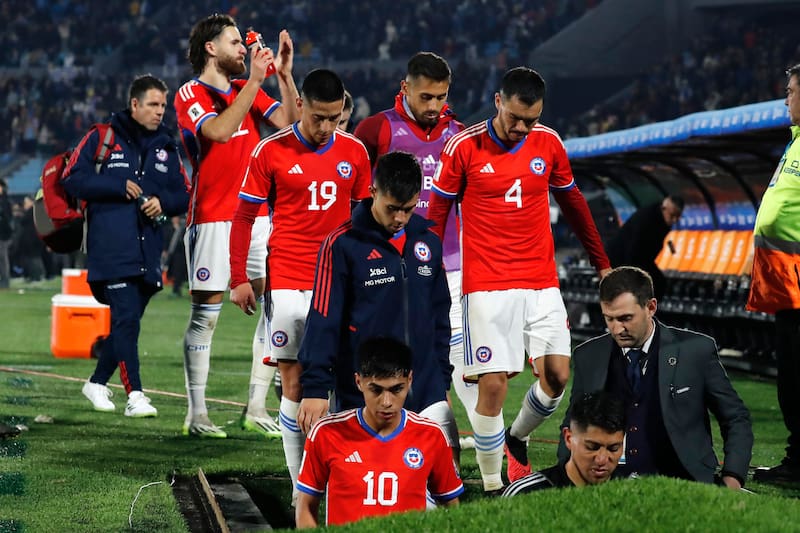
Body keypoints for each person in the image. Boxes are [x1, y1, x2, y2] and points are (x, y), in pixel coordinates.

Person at [427, 66, 611, 492]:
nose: (522, 127)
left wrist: (602, 261)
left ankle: (517, 437)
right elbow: (435, 217)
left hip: (541, 283)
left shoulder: (547, 143)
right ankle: (493, 486)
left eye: (531, 119)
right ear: (498, 103)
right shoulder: (463, 147)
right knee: (492, 385)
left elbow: (574, 203)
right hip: (486, 285)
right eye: (515, 118)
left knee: (558, 377)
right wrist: (426, 271)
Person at [229, 68, 371, 502]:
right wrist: (238, 278)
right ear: (302, 106)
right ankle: (299, 489)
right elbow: (244, 217)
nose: (326, 127)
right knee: (294, 382)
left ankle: (341, 479)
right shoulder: (270, 151)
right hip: (289, 277)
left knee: (345, 382)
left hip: (340, 279)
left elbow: (366, 223)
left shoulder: (356, 152)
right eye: (319, 118)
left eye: (334, 118)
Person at [174, 14, 299, 438]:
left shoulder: (249, 91)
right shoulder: (191, 92)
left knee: (273, 306)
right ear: (211, 48)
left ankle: (256, 406)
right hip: (211, 217)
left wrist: (283, 75)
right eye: (234, 42)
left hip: (256, 215)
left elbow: (290, 123)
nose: (243, 49)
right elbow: (220, 131)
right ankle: (197, 413)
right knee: (205, 317)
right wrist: (255, 83)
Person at [297, 152, 454, 451]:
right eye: (392, 208)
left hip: (426, 387)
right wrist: (316, 388)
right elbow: (323, 320)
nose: (400, 219)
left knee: (442, 479)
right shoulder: (342, 244)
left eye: (407, 210)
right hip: (365, 391)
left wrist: (442, 380)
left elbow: (439, 317)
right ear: (372, 193)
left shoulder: (428, 242)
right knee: (364, 482)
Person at [353, 52, 473, 434]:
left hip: (450, 262)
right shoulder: (376, 130)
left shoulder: (459, 134)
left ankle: (449, 448)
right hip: (390, 261)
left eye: (441, 97)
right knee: (390, 353)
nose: (434, 106)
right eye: (426, 97)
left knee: (454, 359)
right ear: (405, 88)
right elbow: (356, 194)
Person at [63, 74, 190, 418]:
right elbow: (72, 178)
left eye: (163, 105)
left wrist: (162, 202)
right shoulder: (101, 137)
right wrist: (118, 186)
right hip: (111, 249)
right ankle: (136, 395)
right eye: (152, 104)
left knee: (127, 323)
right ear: (134, 104)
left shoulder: (166, 146)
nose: (159, 111)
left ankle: (96, 382)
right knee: (127, 321)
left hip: (149, 252)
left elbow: (184, 194)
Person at [560, 266, 753, 488]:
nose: (616, 328)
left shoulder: (696, 351)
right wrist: (567, 477)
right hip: (608, 484)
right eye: (609, 319)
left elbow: (735, 418)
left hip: (685, 482)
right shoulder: (588, 355)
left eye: (625, 318)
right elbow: (573, 423)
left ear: (651, 307)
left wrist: (733, 477)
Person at [296, 336, 463, 528]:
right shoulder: (326, 433)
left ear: (409, 380)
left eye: (396, 389)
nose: (386, 402)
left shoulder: (431, 435)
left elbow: (451, 507)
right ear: (358, 382)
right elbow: (305, 507)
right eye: (376, 390)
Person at [748, 63, 800, 484]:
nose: (786, 98)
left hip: (797, 281)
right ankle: (797, 457)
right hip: (785, 282)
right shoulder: (795, 144)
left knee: (797, 376)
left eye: (791, 91)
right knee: (791, 374)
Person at [502, 390, 624, 496]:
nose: (602, 460)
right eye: (592, 447)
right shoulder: (524, 494)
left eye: (613, 449)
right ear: (568, 438)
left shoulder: (633, 490)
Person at [605, 195, 684, 300]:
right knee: (651, 283)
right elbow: (633, 249)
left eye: (678, 216)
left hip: (639, 259)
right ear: (663, 208)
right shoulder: (646, 219)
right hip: (619, 258)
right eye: (672, 215)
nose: (675, 220)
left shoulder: (663, 222)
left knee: (659, 282)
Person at [0, 178, 13, 289]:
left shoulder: (5, 201)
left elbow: (7, 219)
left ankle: (5, 281)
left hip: (3, 234)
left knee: (3, 258)